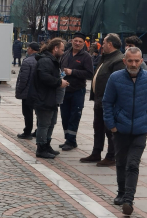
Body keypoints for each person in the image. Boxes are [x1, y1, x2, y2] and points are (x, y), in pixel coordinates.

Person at [103, 47, 147, 215]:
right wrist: (111, 124)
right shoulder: (115, 78)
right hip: (120, 129)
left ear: (141, 61)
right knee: (120, 163)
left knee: (133, 164)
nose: (134, 64)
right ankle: (121, 193)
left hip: (140, 130)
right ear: (124, 61)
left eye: (137, 61)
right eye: (130, 60)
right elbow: (107, 102)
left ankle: (129, 199)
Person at [80, 33, 125, 166]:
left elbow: (119, 84)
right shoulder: (105, 58)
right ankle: (96, 152)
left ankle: (111, 156)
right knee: (98, 128)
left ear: (110, 44)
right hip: (100, 101)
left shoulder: (118, 60)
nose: (102, 44)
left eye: (104, 42)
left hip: (109, 103)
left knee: (109, 130)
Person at [28, 38, 69, 159]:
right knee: (44, 124)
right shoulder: (46, 60)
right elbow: (44, 77)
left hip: (50, 98)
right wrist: (59, 82)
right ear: (55, 48)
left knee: (51, 123)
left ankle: (47, 145)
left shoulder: (52, 60)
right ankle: (41, 148)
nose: (62, 52)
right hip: (43, 97)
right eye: (61, 50)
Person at [59, 32, 93, 151]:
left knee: (75, 115)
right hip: (64, 91)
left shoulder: (86, 57)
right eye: (76, 41)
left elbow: (89, 74)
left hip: (78, 90)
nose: (77, 43)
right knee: (64, 115)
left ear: (84, 43)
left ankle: (71, 141)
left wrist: (72, 72)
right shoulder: (66, 54)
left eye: (80, 42)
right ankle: (68, 138)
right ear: (72, 41)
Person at [16, 42, 40, 139]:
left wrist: (19, 89)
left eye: (28, 48)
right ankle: (38, 131)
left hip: (28, 92)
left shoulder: (27, 61)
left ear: (30, 49)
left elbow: (23, 79)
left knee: (27, 113)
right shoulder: (42, 60)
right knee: (39, 113)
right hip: (39, 91)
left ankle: (27, 132)